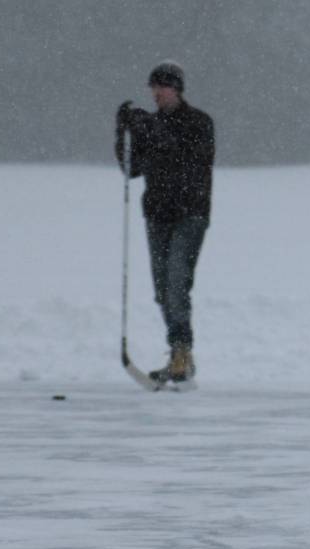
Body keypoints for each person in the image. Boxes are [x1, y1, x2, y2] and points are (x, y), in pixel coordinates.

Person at [115, 61, 215, 385]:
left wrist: (150, 129)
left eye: (163, 86)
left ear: (177, 89)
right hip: (157, 215)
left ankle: (182, 354)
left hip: (190, 214)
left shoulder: (199, 123)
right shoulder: (151, 126)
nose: (156, 93)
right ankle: (178, 355)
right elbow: (132, 169)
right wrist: (123, 133)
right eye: (153, 86)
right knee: (162, 289)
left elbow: (185, 155)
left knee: (176, 282)